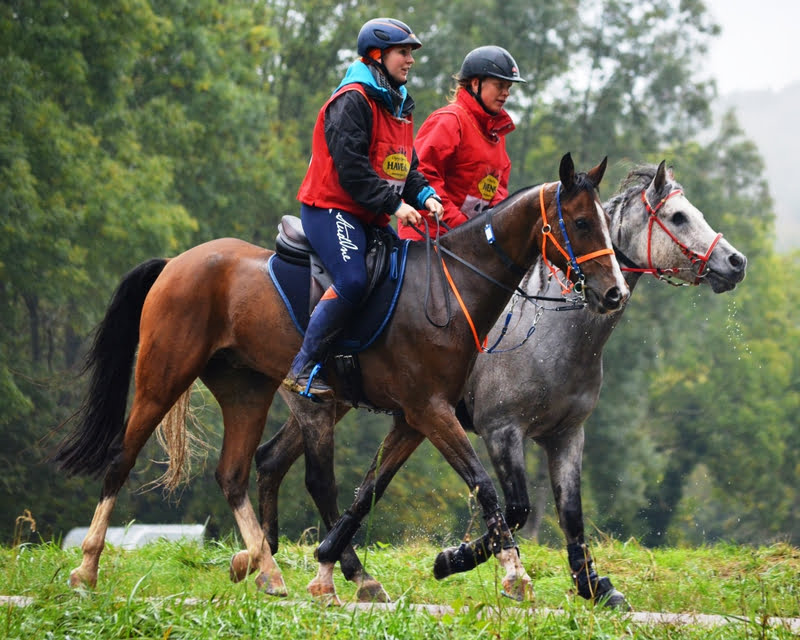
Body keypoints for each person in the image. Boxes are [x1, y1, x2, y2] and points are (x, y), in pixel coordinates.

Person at [283, 17, 444, 399]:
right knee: (353, 279)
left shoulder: (399, 106)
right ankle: (302, 366)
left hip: (366, 214)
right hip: (329, 208)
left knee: (401, 274)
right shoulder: (352, 100)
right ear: (378, 55)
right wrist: (395, 205)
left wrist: (425, 197)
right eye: (403, 52)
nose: (410, 60)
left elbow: (407, 169)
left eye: (410, 53)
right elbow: (352, 170)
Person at [397, 45, 525, 240]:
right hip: (429, 238)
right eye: (500, 85)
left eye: (508, 87)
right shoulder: (449, 120)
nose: (506, 93)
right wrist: (462, 225)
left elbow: (498, 191)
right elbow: (423, 174)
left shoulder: (496, 134)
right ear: (476, 84)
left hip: (469, 241)